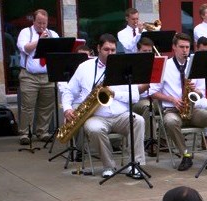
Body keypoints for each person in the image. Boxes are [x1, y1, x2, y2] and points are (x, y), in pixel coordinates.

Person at [148, 33, 207, 172]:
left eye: (187, 47)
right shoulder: (165, 65)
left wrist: (195, 92)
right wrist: (172, 99)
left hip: (192, 109)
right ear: (174, 47)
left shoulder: (195, 64)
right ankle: (186, 154)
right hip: (173, 110)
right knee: (170, 122)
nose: (185, 51)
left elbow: (201, 91)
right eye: (181, 47)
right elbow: (152, 92)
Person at [61, 33, 146, 179]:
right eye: (107, 49)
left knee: (139, 120)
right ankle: (108, 166)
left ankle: (135, 165)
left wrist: (114, 94)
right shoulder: (84, 67)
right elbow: (69, 91)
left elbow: (135, 96)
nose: (110, 53)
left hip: (121, 115)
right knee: (94, 128)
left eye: (113, 50)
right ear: (99, 48)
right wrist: (67, 108)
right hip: (97, 116)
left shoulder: (124, 67)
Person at [16, 9, 59, 145]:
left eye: (44, 23)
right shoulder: (25, 32)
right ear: (33, 21)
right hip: (29, 76)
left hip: (48, 75)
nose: (42, 26)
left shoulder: (53, 34)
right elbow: (25, 48)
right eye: (39, 22)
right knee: (28, 106)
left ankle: (43, 132)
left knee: (46, 106)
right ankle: (25, 133)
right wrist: (39, 41)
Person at [132, 37, 155, 147]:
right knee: (148, 106)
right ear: (138, 51)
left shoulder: (156, 63)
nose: (147, 54)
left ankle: (163, 139)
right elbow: (135, 91)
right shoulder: (133, 65)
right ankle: (149, 140)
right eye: (144, 51)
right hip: (138, 101)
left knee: (170, 105)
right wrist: (149, 84)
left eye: (149, 52)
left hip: (155, 98)